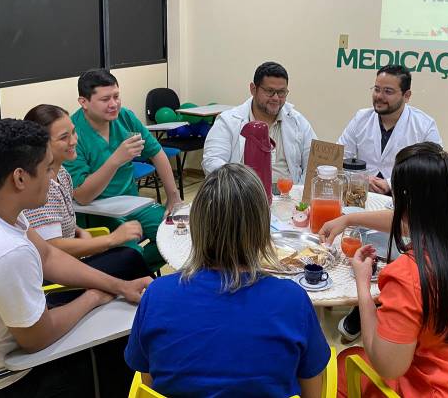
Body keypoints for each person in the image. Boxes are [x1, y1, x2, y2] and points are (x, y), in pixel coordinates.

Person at [0, 119, 151, 397]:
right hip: (11, 378)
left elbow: (46, 254)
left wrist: (117, 286)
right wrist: (93, 297)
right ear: (19, 178)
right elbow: (37, 340)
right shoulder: (4, 252)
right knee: (122, 345)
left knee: (119, 289)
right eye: (47, 169)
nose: (52, 177)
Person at [322, 143, 448, 397]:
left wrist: (363, 288)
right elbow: (411, 221)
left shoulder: (408, 275)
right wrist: (349, 218)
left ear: (403, 200)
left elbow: (388, 368)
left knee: (345, 363)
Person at [125, 164, 330, 398]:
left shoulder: (157, 294)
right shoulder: (293, 300)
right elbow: (312, 392)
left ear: (198, 227)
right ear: (262, 231)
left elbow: (148, 384)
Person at [64, 69, 182, 270]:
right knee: (129, 253)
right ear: (83, 102)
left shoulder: (124, 117)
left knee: (176, 236)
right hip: (98, 211)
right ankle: (125, 273)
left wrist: (173, 196)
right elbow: (83, 196)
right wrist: (115, 160)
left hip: (133, 203)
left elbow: (156, 152)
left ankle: (127, 273)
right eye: (105, 99)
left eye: (116, 96)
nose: (113, 104)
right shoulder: (74, 133)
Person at [24, 104, 149, 281]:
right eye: (63, 138)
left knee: (132, 257)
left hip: (72, 261)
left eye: (73, 133)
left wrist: (79, 230)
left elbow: (55, 222)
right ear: (40, 145)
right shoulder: (40, 186)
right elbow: (51, 246)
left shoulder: (62, 174)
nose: (74, 141)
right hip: (57, 274)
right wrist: (112, 239)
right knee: (129, 258)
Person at [202, 61, 316, 184]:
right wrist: (239, 189)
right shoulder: (228, 121)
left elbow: (314, 163)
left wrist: (299, 194)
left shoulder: (298, 121)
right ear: (253, 89)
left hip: (289, 196)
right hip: (243, 195)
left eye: (281, 92)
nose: (276, 98)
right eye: (269, 91)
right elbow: (212, 162)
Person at [338, 64, 441, 195]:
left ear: (406, 96)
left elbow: (434, 170)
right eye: (377, 89)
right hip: (361, 194)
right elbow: (339, 158)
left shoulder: (425, 126)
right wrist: (359, 178)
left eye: (388, 91)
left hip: (406, 198)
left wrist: (391, 183)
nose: (379, 96)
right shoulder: (361, 118)